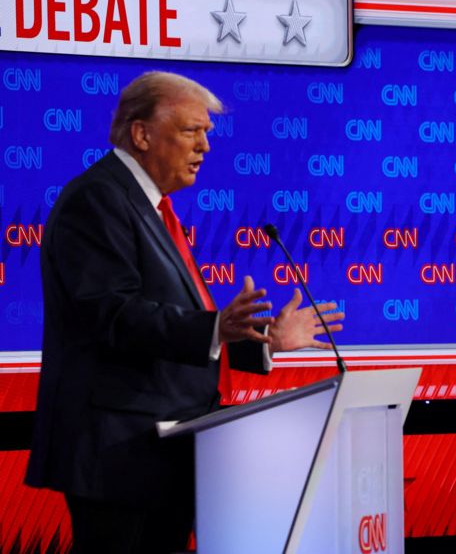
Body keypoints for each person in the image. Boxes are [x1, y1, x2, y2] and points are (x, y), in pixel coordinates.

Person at [25, 71, 345, 554]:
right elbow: (112, 314)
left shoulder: (148, 207)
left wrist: (266, 340)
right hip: (118, 457)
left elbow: (174, 325)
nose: (205, 147)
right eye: (191, 131)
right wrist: (216, 327)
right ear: (141, 133)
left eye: (207, 133)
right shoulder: (97, 200)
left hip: (165, 451)